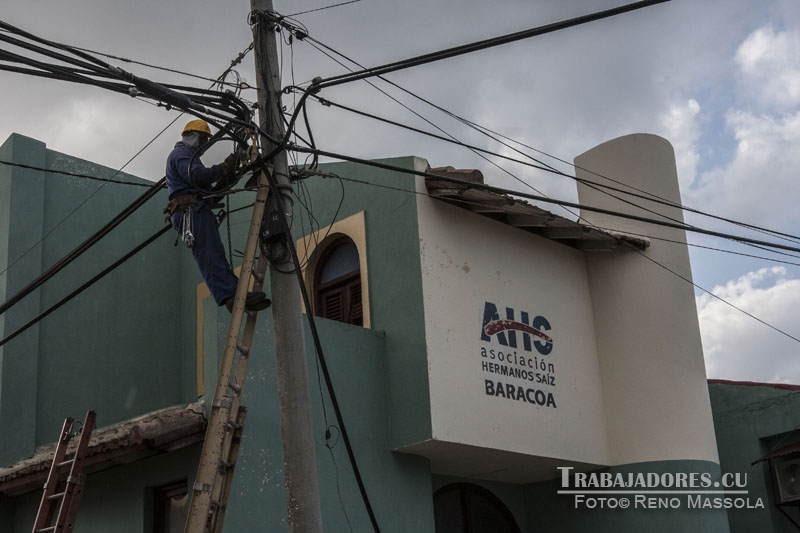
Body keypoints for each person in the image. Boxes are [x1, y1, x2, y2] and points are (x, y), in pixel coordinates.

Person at [164, 119, 270, 313]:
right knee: (209, 254)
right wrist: (225, 166)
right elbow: (198, 176)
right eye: (203, 139)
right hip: (189, 211)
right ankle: (229, 296)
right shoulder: (181, 154)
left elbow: (211, 194)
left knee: (215, 254)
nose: (204, 145)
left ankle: (235, 294)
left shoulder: (191, 157)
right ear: (192, 136)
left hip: (197, 209)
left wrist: (231, 171)